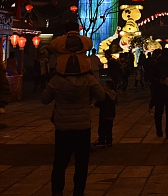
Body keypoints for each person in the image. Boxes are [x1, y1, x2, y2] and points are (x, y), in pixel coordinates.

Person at [41, 44, 108, 196]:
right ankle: (79, 191)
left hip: (62, 126)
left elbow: (44, 99)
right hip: (82, 126)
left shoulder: (56, 81)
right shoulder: (88, 80)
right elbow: (102, 96)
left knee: (60, 162)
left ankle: (57, 190)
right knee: (81, 162)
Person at [150, 48, 168, 140]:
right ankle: (167, 133)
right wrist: (163, 80)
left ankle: (161, 131)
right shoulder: (163, 64)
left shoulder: (160, 63)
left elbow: (151, 76)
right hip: (165, 90)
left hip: (162, 90)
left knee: (160, 112)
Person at [94, 79, 117, 147]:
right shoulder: (113, 94)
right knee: (109, 129)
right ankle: (109, 141)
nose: (103, 87)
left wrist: (95, 104)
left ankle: (102, 141)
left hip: (104, 114)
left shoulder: (105, 95)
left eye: (104, 85)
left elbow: (99, 103)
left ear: (108, 87)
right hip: (111, 114)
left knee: (102, 129)